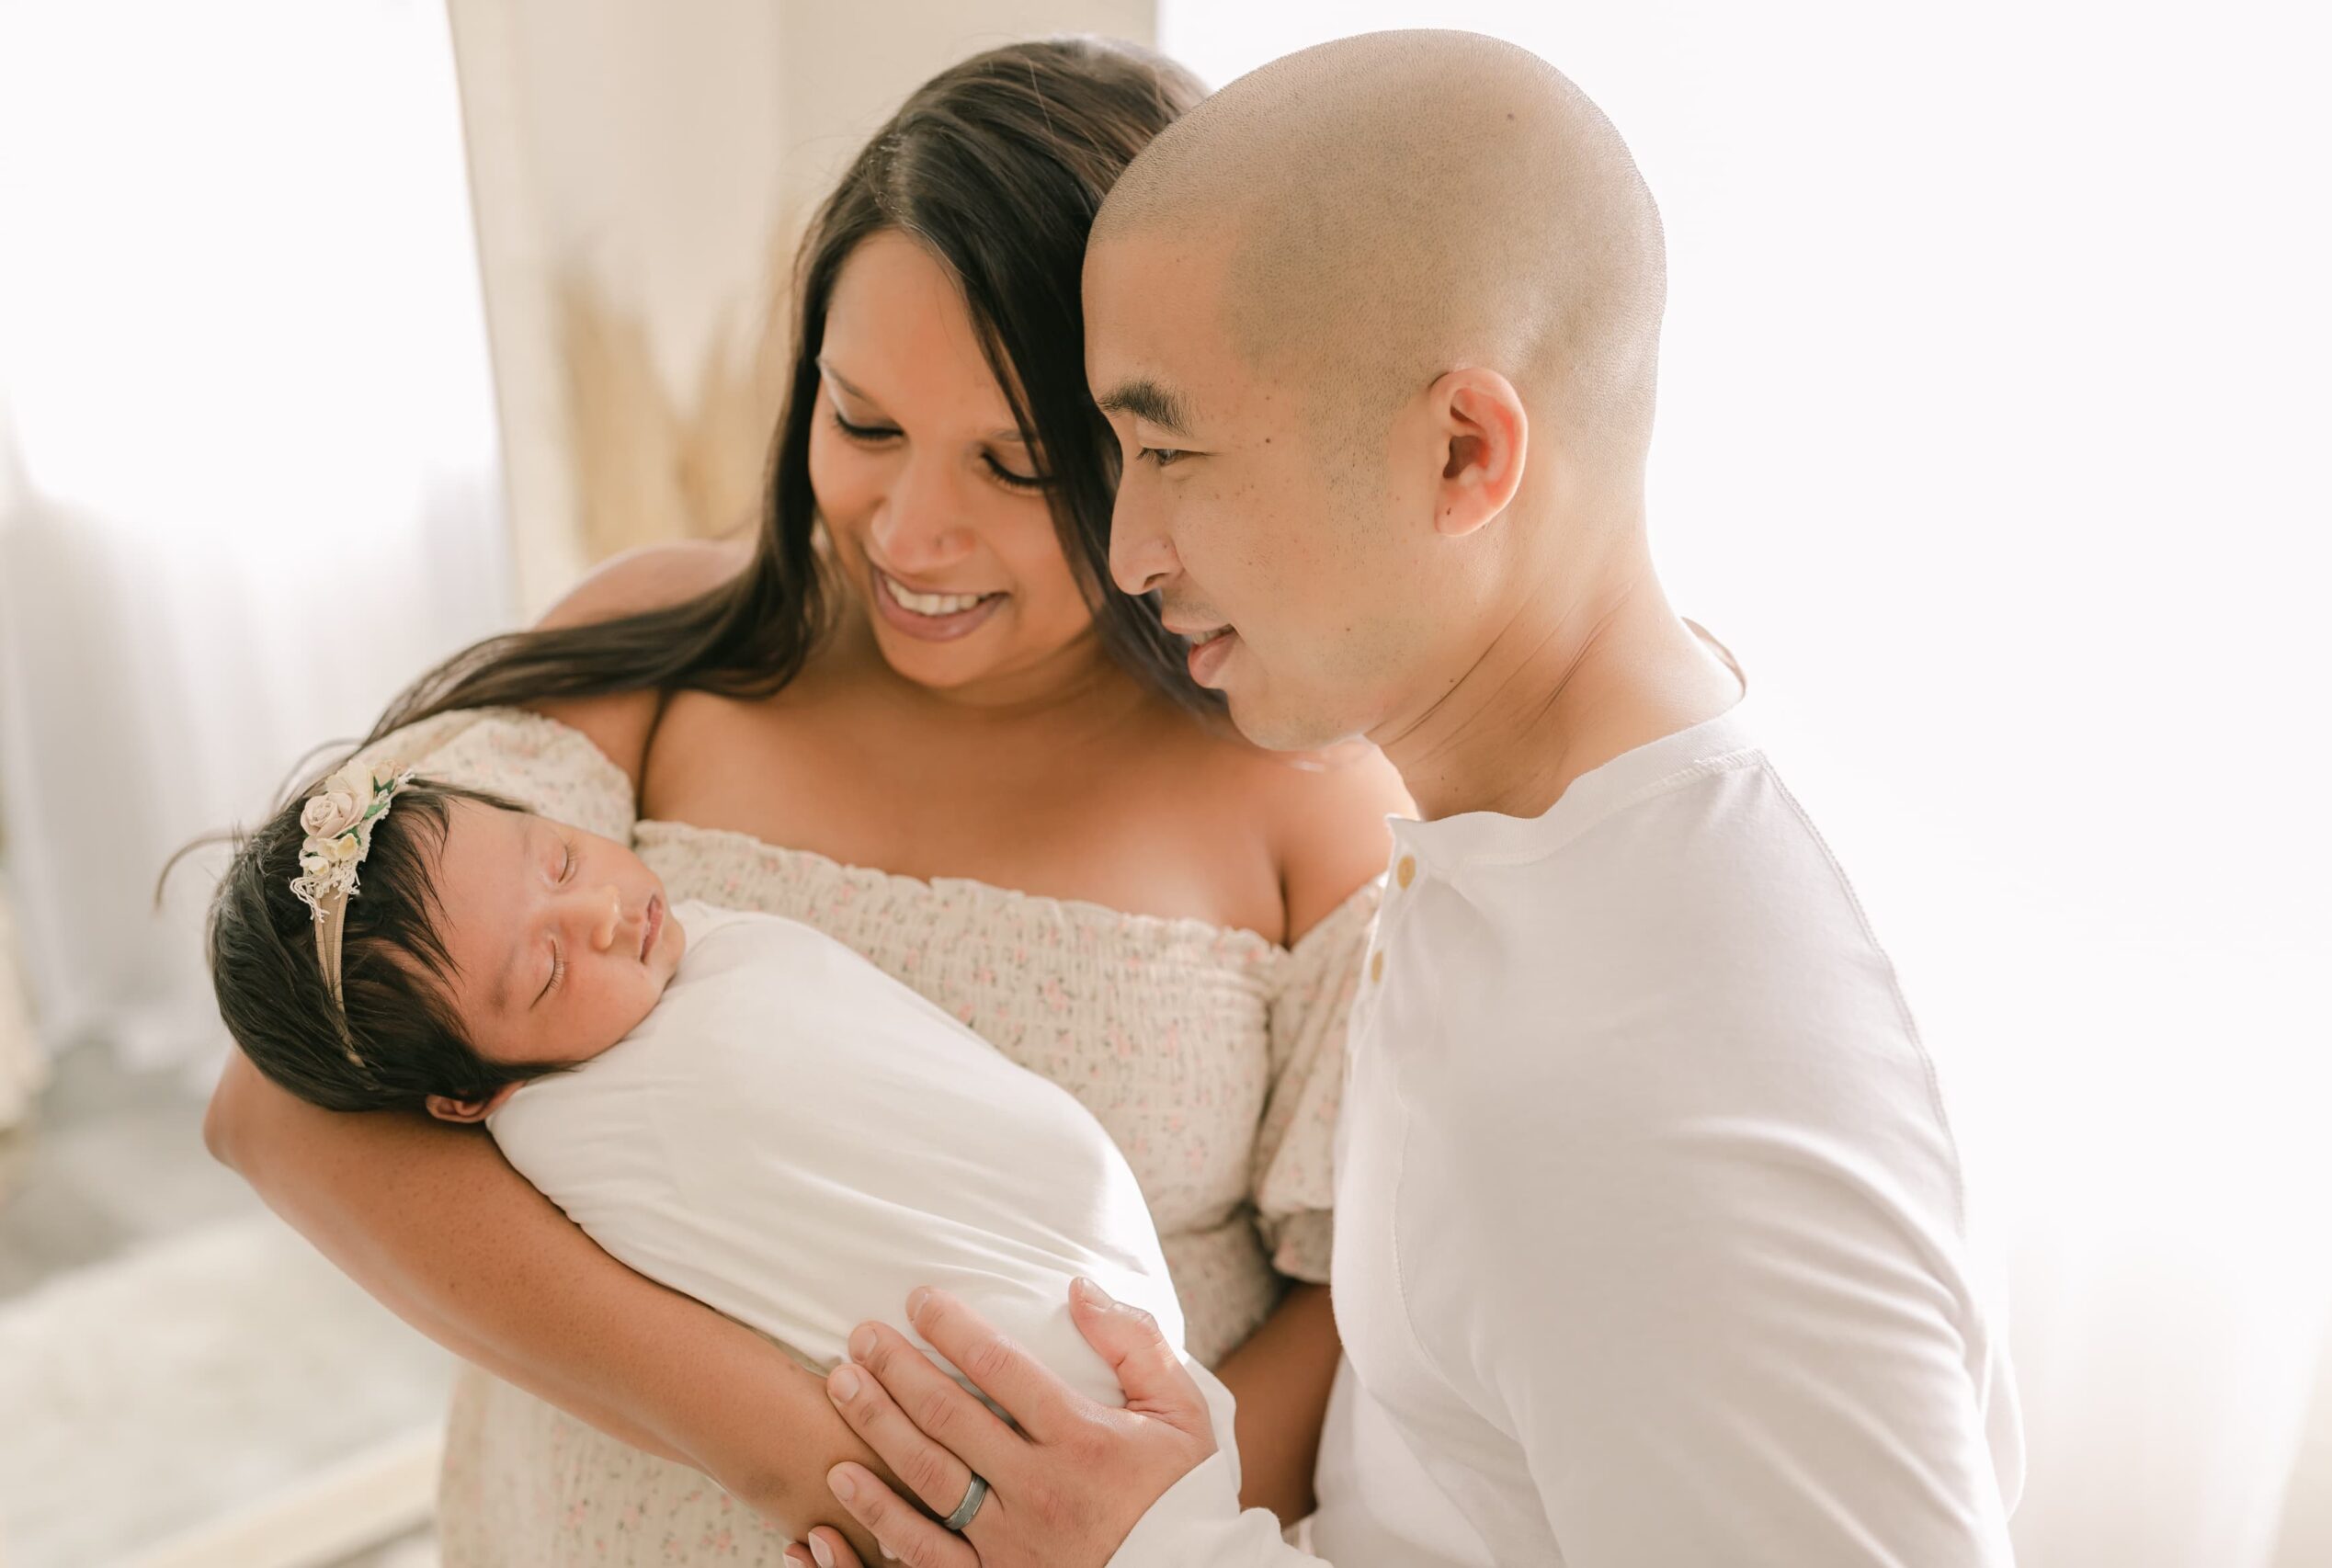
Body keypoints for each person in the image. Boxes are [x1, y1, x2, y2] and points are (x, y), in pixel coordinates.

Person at [798, 29, 2026, 1568]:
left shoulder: (1661, 1080)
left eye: (1168, 447)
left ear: (1463, 453)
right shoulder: (1536, 853)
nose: (1132, 550)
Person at [201, 36, 1408, 1563]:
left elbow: (1357, 1307)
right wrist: (797, 1459)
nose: (910, 529)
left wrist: (1118, 1538)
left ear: (1159, 450)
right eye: (863, 421)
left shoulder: (1305, 793)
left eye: (1017, 463)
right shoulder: (652, 654)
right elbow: (276, 1108)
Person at [204, 766, 1244, 1476]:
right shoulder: (572, 1125)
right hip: (1053, 1390)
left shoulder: (699, 954)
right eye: (551, 968)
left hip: (1121, 1329)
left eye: (560, 860)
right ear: (468, 1096)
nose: (604, 913)